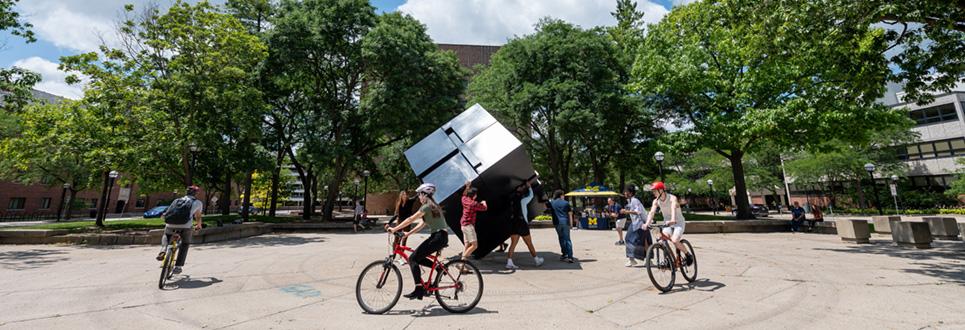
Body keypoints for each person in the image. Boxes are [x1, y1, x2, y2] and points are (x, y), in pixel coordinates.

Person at [387, 183, 448, 300]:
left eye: (420, 194)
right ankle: (439, 268)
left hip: (438, 237)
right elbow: (421, 224)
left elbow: (411, 219)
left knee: (412, 259)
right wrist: (408, 234)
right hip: (440, 236)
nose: (419, 197)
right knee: (417, 257)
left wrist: (394, 229)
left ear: (425, 194)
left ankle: (418, 289)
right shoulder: (432, 205)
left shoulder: (426, 207)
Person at [156, 186, 204, 275]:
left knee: (166, 235)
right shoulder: (198, 203)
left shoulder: (176, 200)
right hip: (186, 226)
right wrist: (199, 225)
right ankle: (178, 266)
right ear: (196, 194)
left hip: (170, 224)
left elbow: (169, 211)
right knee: (185, 243)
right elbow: (198, 216)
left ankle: (163, 249)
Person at [643, 182, 692, 266]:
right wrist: (647, 223)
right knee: (661, 240)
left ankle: (688, 255)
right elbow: (651, 212)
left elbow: (673, 208)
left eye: (655, 191)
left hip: (678, 222)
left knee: (674, 240)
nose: (653, 193)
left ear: (661, 190)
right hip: (667, 223)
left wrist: (673, 219)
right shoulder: (656, 201)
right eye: (653, 191)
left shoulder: (672, 198)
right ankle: (669, 260)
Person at [505, 178, 545, 269]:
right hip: (522, 223)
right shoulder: (522, 200)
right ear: (518, 190)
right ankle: (537, 260)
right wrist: (529, 187)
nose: (522, 188)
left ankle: (509, 262)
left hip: (513, 223)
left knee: (513, 244)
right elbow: (530, 196)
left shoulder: (511, 200)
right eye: (521, 187)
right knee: (529, 243)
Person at [620, 186, 649, 267]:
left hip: (639, 223)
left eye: (626, 191)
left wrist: (626, 212)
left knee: (628, 239)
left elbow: (637, 212)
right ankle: (648, 259)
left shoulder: (634, 200)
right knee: (645, 241)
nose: (624, 193)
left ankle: (631, 259)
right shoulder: (631, 201)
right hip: (642, 223)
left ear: (631, 193)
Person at [460, 181, 488, 260]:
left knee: (467, 245)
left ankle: (462, 266)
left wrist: (467, 186)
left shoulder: (464, 199)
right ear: (475, 195)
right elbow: (484, 208)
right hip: (469, 226)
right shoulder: (473, 204)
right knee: (474, 245)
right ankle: (461, 261)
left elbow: (464, 194)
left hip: (463, 225)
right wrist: (484, 202)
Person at [550, 189, 575, 263]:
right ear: (561, 195)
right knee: (567, 239)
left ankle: (564, 254)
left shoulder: (552, 203)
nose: (564, 196)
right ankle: (570, 257)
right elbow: (570, 214)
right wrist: (571, 224)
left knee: (561, 238)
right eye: (563, 195)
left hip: (557, 223)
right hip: (565, 222)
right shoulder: (566, 203)